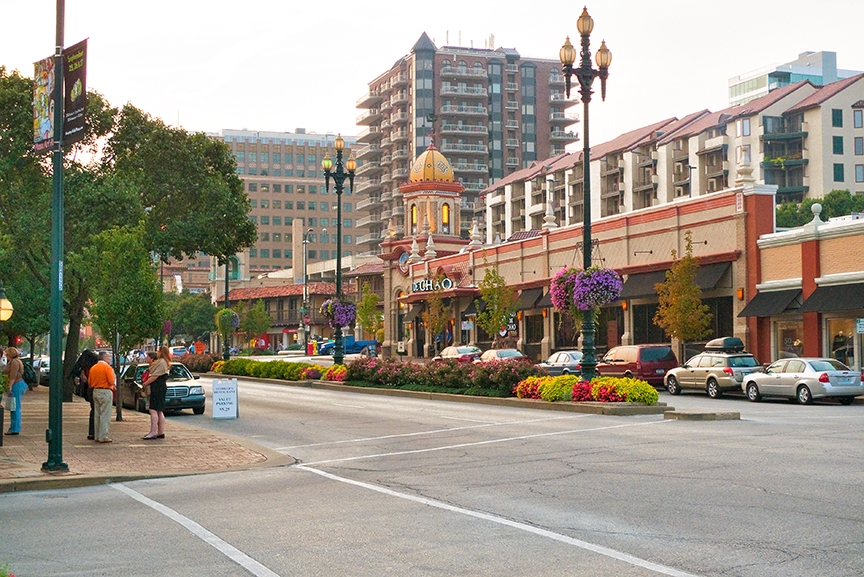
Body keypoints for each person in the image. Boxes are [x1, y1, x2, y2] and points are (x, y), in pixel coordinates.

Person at [142, 346, 171, 440]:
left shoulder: (161, 362)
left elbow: (154, 376)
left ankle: (153, 431)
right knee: (159, 410)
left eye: (158, 351)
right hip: (160, 388)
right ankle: (160, 432)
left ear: (161, 352)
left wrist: (145, 384)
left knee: (153, 409)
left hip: (157, 388)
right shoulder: (164, 362)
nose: (157, 353)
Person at [88, 351, 116, 443]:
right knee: (105, 414)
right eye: (108, 357)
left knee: (97, 414)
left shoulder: (93, 368)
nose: (110, 358)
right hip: (105, 391)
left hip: (96, 391)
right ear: (104, 357)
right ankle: (103, 436)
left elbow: (90, 382)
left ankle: (97, 435)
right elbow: (111, 381)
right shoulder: (107, 368)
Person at [3, 347, 26, 436]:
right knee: (14, 407)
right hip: (18, 384)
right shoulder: (16, 361)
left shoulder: (14, 362)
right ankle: (13, 427)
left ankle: (15, 428)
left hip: (16, 385)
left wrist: (10, 386)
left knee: (15, 407)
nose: (6, 356)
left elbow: (13, 375)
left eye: (7, 354)